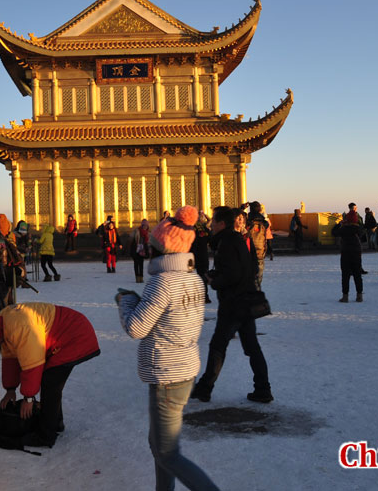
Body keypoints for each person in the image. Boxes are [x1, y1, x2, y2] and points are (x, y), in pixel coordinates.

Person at [116, 206, 220, 491]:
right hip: (185, 368)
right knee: (159, 445)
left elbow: (136, 327)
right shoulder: (193, 279)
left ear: (161, 250)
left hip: (166, 372)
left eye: (152, 246)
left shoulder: (162, 283)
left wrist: (126, 301)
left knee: (167, 453)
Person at [0, 302, 100, 447]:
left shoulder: (19, 327)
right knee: (50, 381)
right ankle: (55, 422)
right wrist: (10, 389)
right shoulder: (5, 327)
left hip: (75, 335)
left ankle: (45, 436)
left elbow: (32, 363)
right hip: (65, 335)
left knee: (50, 382)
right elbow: (11, 360)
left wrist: (29, 398)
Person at [191, 206, 272, 404]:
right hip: (245, 300)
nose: (211, 225)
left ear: (221, 223)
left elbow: (232, 274)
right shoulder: (235, 240)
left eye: (214, 221)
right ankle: (263, 389)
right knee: (252, 347)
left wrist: (214, 281)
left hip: (233, 303)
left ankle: (204, 388)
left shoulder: (226, 242)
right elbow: (244, 268)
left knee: (218, 346)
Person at [331, 210, 364, 302]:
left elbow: (333, 233)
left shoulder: (343, 229)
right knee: (357, 275)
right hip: (356, 253)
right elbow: (362, 233)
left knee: (345, 275)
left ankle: (345, 296)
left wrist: (339, 224)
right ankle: (359, 295)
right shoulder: (358, 229)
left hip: (345, 253)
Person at [247, 201, 269, 291]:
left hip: (248, 252)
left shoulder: (247, 221)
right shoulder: (264, 222)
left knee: (249, 278)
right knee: (258, 278)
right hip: (260, 252)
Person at [191, 210, 212, 301]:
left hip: (202, 255)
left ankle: (204, 296)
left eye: (202, 216)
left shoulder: (205, 229)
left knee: (203, 276)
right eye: (199, 216)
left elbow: (210, 239)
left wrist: (207, 217)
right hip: (193, 255)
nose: (201, 217)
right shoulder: (193, 227)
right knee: (191, 277)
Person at [132, 219, 150, 284]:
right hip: (136, 249)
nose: (145, 227)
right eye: (144, 225)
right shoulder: (137, 231)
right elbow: (131, 240)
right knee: (136, 264)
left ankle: (141, 277)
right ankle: (137, 277)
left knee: (141, 264)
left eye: (146, 226)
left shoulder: (147, 233)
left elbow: (148, 243)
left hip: (143, 250)